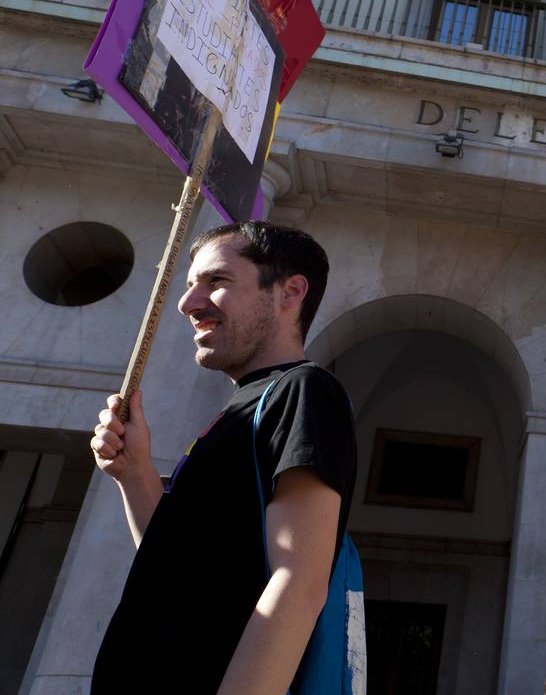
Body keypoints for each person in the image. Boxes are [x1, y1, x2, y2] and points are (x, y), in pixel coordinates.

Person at [90, 221, 357, 694]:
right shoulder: (240, 408)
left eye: (216, 282)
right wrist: (135, 474)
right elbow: (175, 564)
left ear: (290, 291)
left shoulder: (302, 390)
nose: (188, 302)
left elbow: (298, 582)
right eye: (191, 284)